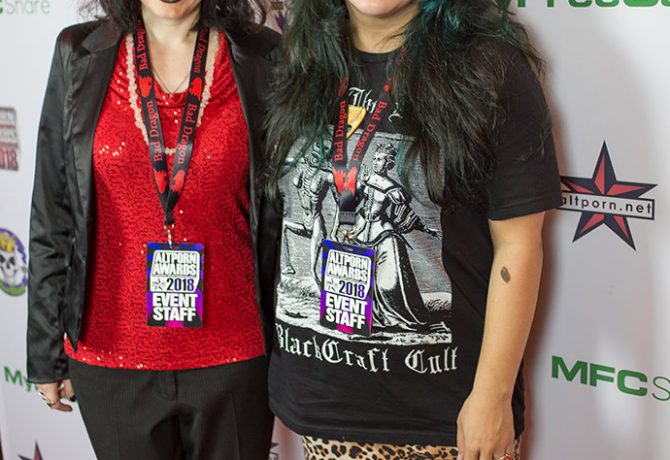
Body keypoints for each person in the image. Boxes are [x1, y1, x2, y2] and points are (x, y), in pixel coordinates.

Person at [264, 1, 562, 459]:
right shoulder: (298, 62)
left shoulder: (489, 66)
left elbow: (518, 246)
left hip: (448, 419)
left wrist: (492, 396)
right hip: (325, 407)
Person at [27, 1, 278, 459]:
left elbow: (284, 212)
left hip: (236, 357)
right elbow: (52, 211)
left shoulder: (264, 55)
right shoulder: (78, 52)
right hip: (110, 359)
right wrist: (44, 352)